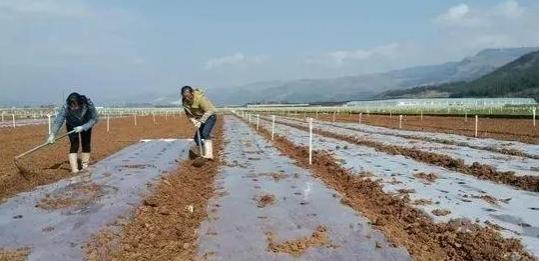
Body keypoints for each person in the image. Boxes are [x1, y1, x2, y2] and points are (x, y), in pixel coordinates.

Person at [47, 92, 99, 173]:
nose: (73, 108)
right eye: (71, 106)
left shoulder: (88, 104)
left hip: (86, 124)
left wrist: (83, 127)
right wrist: (53, 134)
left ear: (80, 103)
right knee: (74, 144)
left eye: (75, 106)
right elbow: (59, 121)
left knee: (86, 144)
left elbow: (95, 119)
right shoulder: (66, 107)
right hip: (72, 125)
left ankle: (85, 166)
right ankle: (74, 169)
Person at [181, 86, 216, 159]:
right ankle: (202, 151)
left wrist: (201, 121)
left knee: (205, 134)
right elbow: (188, 114)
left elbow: (210, 110)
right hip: (199, 118)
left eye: (188, 96)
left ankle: (209, 155)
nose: (187, 98)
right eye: (185, 96)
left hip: (210, 117)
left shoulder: (200, 99)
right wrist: (193, 120)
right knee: (197, 139)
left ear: (192, 93)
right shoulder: (184, 102)